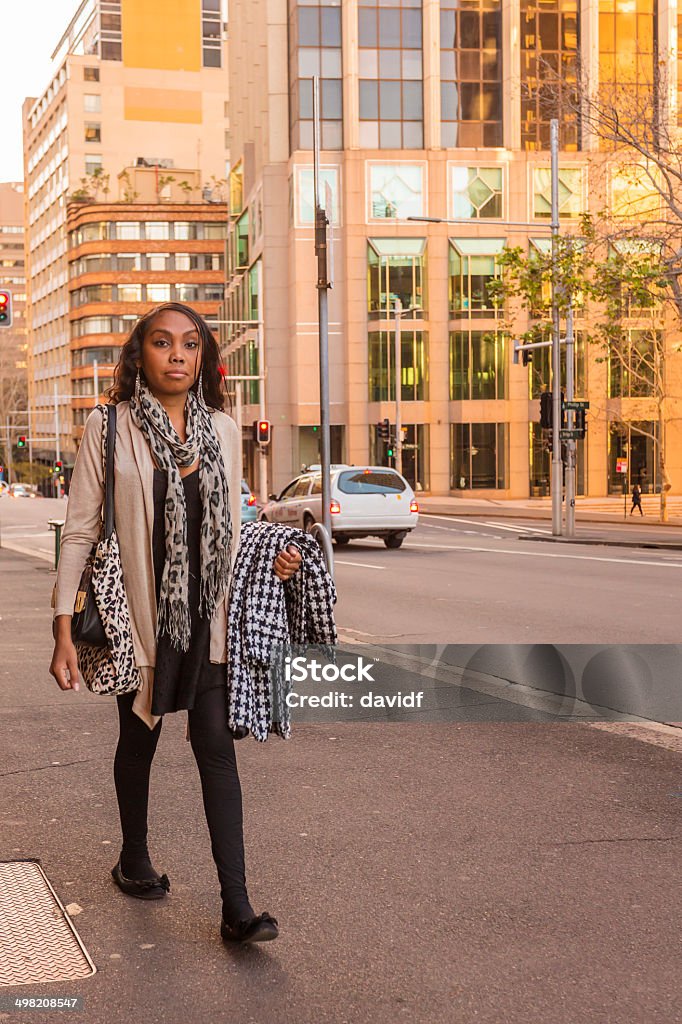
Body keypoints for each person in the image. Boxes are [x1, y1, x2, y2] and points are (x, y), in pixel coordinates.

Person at [48, 302, 302, 944]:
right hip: (141, 617)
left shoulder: (221, 425)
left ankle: (237, 908)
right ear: (142, 355)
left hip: (209, 620)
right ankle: (134, 858)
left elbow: (234, 524)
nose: (178, 355)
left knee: (215, 751)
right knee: (139, 741)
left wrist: (271, 556)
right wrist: (60, 632)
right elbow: (79, 531)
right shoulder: (108, 428)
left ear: (205, 358)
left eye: (191, 345)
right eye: (163, 343)